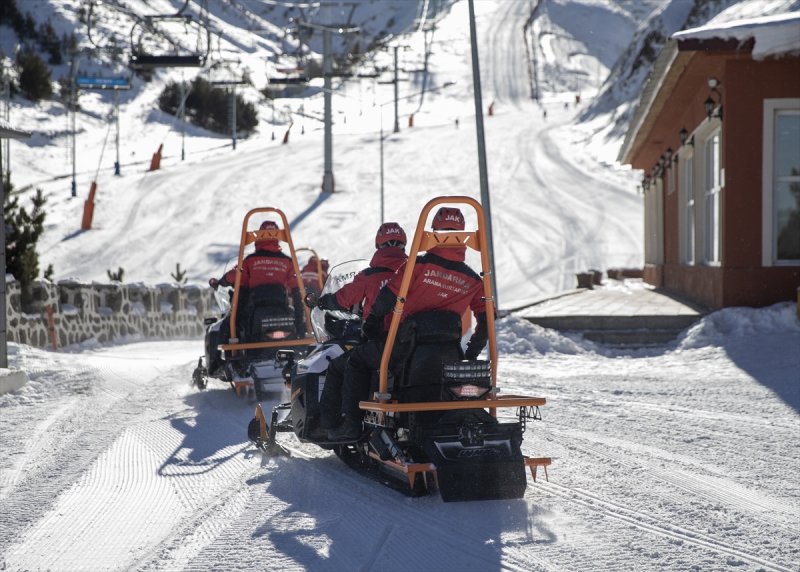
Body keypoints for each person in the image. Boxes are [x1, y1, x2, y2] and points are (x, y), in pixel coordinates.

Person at [327, 207, 489, 441]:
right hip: (447, 354)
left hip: (404, 348)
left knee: (357, 360)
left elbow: (387, 297)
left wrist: (371, 326)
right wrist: (470, 355)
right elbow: (486, 322)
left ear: (434, 232)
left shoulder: (417, 266)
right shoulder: (474, 280)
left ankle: (351, 425)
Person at [307, 222, 407, 430]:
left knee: (340, 366)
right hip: (410, 341)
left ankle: (337, 424)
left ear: (379, 245)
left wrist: (323, 302)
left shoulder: (369, 276)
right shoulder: (414, 274)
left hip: (380, 341)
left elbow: (343, 298)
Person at [209, 220, 306, 342]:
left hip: (254, 308)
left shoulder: (250, 261)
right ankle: (299, 335)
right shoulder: (287, 262)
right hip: (281, 307)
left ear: (259, 237)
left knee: (229, 326)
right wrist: (300, 324)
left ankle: (231, 349)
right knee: (298, 315)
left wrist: (222, 282)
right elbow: (297, 287)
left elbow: (236, 276)